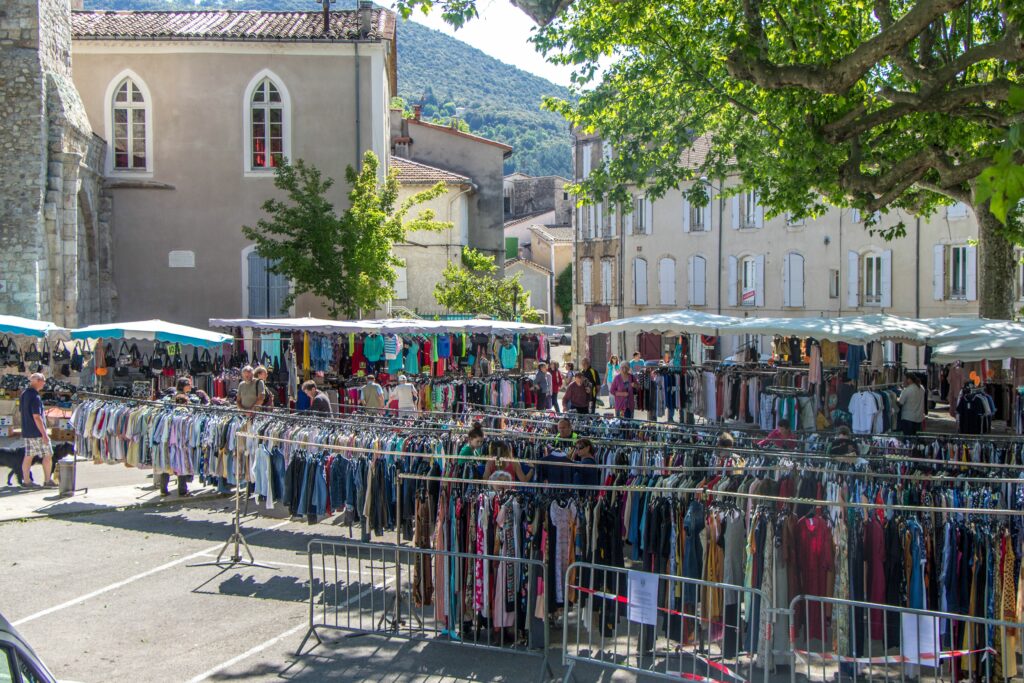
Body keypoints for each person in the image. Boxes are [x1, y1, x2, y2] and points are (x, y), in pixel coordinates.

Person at [19, 373, 54, 489]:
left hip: (27, 431)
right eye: (43, 381)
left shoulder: (24, 394)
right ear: (38, 381)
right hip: (37, 432)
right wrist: (44, 434)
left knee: (28, 456)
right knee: (48, 455)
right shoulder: (35, 396)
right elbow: (37, 416)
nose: (44, 383)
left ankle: (26, 481)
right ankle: (48, 480)